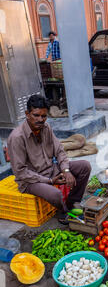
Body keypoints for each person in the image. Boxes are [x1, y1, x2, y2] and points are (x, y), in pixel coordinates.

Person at [7, 95, 91, 224]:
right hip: (31, 181)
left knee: (85, 166)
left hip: (52, 170)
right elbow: (20, 172)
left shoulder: (46, 128)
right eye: (36, 115)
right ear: (27, 114)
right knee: (55, 194)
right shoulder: (17, 137)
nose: (40, 120)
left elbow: (59, 150)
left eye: (44, 116)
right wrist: (50, 181)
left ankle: (72, 202)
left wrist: (66, 170)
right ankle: (63, 212)